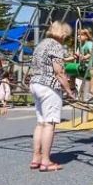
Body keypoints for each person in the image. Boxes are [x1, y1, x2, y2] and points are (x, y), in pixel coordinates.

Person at [29, 21, 76, 172]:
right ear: (62, 34)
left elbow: (48, 61)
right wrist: (69, 91)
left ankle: (36, 158)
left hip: (36, 83)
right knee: (50, 124)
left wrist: (68, 59)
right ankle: (46, 161)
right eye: (66, 37)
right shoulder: (56, 45)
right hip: (49, 86)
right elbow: (59, 72)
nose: (65, 39)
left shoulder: (41, 44)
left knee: (40, 123)